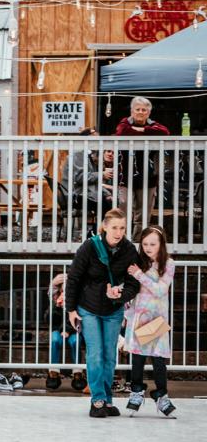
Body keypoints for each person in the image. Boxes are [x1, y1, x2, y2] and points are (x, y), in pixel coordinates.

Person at [63, 208, 140, 418]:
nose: (118, 232)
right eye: (114, 227)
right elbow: (74, 279)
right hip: (88, 308)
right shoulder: (89, 247)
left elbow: (134, 283)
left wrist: (120, 294)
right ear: (104, 227)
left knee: (109, 357)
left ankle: (107, 400)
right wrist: (70, 309)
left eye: (122, 228)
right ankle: (97, 400)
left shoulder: (129, 250)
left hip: (113, 310)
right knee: (95, 355)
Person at [124, 225, 176, 416]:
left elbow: (161, 290)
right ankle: (137, 391)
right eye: (145, 244)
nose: (148, 247)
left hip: (156, 320)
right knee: (137, 358)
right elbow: (130, 287)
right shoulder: (139, 262)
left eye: (152, 244)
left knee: (158, 359)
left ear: (161, 244)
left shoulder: (168, 264)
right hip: (140, 317)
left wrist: (139, 274)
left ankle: (161, 395)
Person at [113, 97, 171, 226]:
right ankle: (122, 239)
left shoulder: (154, 124)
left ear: (148, 113)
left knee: (144, 212)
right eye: (137, 109)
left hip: (148, 175)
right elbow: (123, 132)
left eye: (144, 110)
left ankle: (138, 240)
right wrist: (147, 133)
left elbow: (165, 132)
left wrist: (143, 129)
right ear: (132, 111)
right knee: (124, 208)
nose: (140, 112)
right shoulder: (124, 123)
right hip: (126, 174)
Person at [45, 273, 85, 391]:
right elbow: (49, 319)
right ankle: (54, 372)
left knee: (75, 341)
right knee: (55, 340)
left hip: (73, 329)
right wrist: (56, 306)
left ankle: (78, 373)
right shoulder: (56, 299)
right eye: (64, 287)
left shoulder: (78, 300)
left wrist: (67, 330)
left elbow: (78, 318)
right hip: (58, 330)